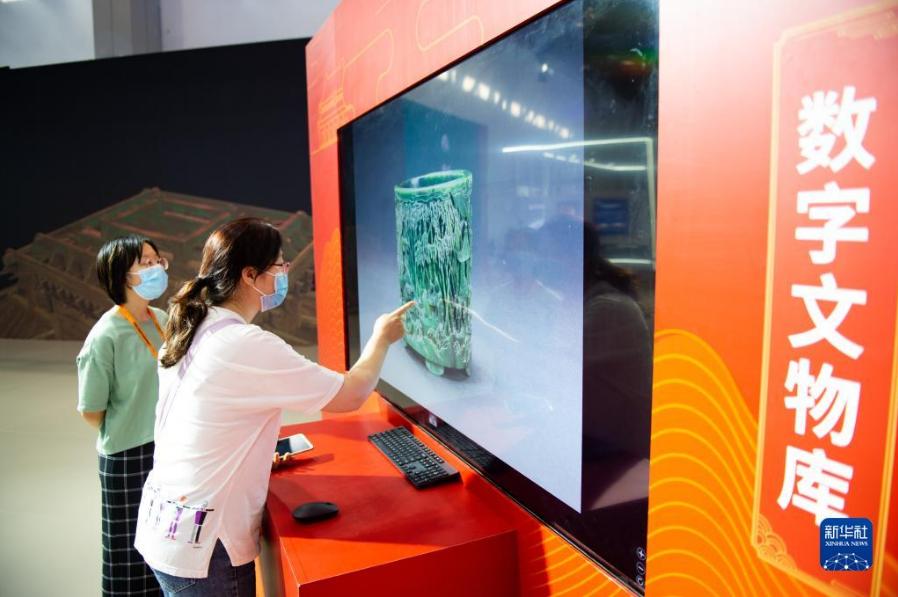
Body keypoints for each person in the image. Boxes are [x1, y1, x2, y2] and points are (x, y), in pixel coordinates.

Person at [134, 217, 412, 596]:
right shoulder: (243, 343)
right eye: (279, 266)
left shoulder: (193, 327)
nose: (284, 274)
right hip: (207, 543)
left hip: (168, 521)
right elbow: (350, 394)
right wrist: (381, 338)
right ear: (250, 275)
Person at [77, 234, 170, 596]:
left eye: (157, 260)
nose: (156, 268)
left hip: (167, 447)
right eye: (145, 263)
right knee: (129, 555)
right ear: (121, 275)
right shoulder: (105, 336)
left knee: (166, 547)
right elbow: (91, 411)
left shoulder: (162, 319)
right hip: (128, 455)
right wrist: (130, 425)